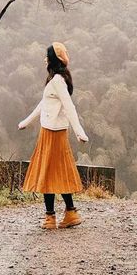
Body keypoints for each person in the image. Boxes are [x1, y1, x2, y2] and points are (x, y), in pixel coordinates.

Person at [18, 42, 89, 229]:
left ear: (53, 59)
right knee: (58, 172)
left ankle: (51, 217)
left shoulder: (57, 80)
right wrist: (26, 122)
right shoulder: (56, 80)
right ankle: (70, 212)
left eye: (47, 56)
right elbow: (44, 104)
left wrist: (79, 131)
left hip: (51, 133)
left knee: (48, 173)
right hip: (53, 131)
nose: (45, 59)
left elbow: (69, 106)